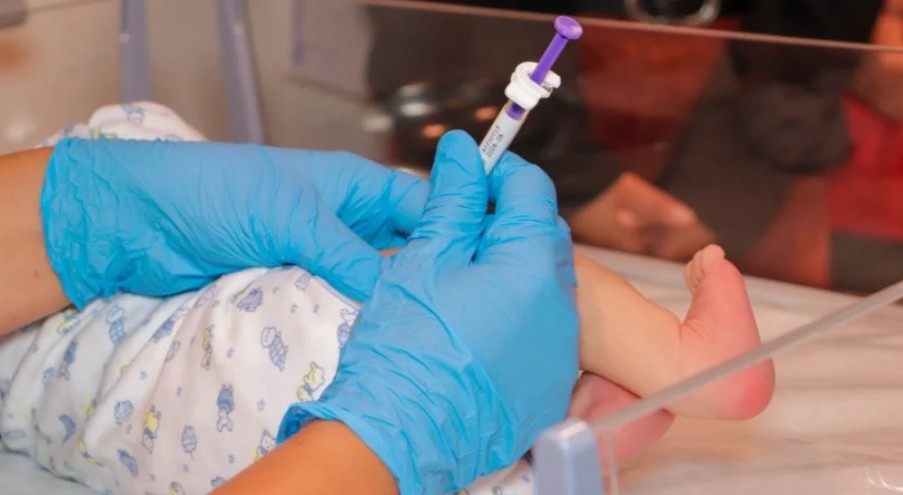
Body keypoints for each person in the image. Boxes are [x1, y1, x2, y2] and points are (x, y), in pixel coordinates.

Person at [0, 104, 772, 494]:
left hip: (198, 446)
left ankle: (562, 450)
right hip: (263, 362)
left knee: (463, 413)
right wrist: (385, 430)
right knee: (493, 266)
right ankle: (682, 360)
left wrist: (96, 199)